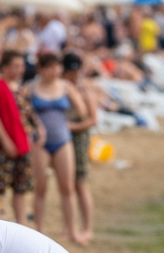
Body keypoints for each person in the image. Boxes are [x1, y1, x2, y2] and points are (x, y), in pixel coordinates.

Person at [27, 53, 87, 245]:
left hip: (62, 139)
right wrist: (35, 124)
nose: (55, 72)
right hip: (40, 143)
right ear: (42, 69)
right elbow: (22, 109)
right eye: (50, 67)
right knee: (40, 187)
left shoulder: (65, 87)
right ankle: (39, 231)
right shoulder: (31, 88)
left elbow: (82, 110)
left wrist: (68, 120)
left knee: (67, 186)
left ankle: (72, 230)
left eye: (57, 67)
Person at [0, 51, 35, 225]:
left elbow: (28, 115)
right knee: (0, 187)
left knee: (20, 189)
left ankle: (21, 224)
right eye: (16, 66)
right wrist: (5, 140)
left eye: (21, 66)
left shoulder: (21, 89)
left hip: (23, 144)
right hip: (3, 145)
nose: (20, 70)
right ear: (6, 67)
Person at [62, 53, 97, 243]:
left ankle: (87, 227)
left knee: (80, 183)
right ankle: (69, 227)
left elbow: (92, 119)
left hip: (78, 137)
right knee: (66, 184)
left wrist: (72, 127)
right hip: (65, 137)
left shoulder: (84, 91)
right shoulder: (63, 88)